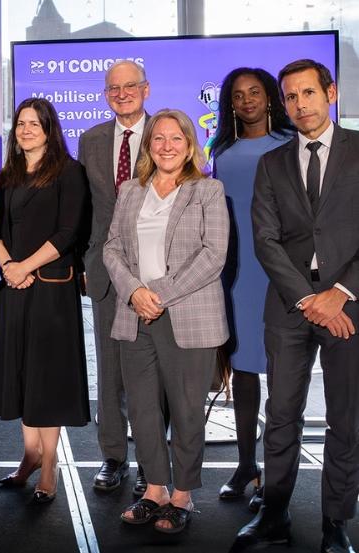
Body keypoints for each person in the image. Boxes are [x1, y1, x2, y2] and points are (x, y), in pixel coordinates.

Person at [232, 59, 359, 553]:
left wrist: (339, 293)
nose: (300, 104)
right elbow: (265, 240)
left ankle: (335, 522)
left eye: (308, 93)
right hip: (289, 304)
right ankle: (274, 514)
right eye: (291, 96)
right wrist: (308, 298)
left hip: (348, 306)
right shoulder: (273, 162)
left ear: (330, 93)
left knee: (345, 417)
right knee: (282, 413)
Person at [103, 109, 229, 534]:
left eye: (176, 138)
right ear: (149, 145)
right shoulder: (130, 192)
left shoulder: (208, 190)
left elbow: (213, 255)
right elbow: (112, 249)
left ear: (189, 144)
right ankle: (154, 490)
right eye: (159, 139)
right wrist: (136, 293)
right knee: (142, 409)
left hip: (187, 316)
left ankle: (183, 495)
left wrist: (159, 294)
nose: (167, 146)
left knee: (187, 410)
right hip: (135, 315)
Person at [0, 98, 90, 503]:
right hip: (13, 286)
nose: (26, 130)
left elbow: (69, 232)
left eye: (35, 123)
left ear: (50, 128)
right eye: (21, 124)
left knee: (47, 378)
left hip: (51, 288)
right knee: (22, 373)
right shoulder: (8, 175)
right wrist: (9, 266)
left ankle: (50, 467)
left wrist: (26, 266)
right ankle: (29, 456)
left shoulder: (70, 171)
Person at [210, 67, 294, 512]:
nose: (247, 101)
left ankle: (275, 479)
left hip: (280, 274)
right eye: (238, 95)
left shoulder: (288, 144)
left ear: (269, 98)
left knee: (282, 377)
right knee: (242, 373)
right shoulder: (221, 150)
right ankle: (246, 465)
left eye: (255, 93)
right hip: (236, 272)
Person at [77, 59, 152, 495]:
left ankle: (150, 461)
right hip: (104, 271)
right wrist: (84, 262)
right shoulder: (91, 140)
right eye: (113, 89)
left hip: (155, 276)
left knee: (150, 372)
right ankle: (113, 456)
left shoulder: (165, 132)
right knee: (109, 370)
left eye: (129, 86)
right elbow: (86, 207)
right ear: (106, 95)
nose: (121, 94)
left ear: (145, 88)